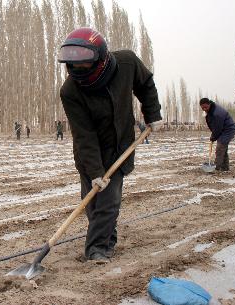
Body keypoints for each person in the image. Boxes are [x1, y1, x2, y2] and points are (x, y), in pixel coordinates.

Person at [58, 27, 162, 263]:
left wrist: (152, 113)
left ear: (100, 60)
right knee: (93, 202)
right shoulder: (70, 91)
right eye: (73, 66)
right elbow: (84, 135)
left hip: (119, 146)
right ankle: (107, 238)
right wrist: (95, 172)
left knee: (109, 201)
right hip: (89, 152)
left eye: (84, 65)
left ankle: (97, 249)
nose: (78, 70)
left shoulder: (127, 63)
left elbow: (145, 84)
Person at [199, 98, 235, 171]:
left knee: (220, 148)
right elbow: (214, 126)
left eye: (206, 107)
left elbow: (217, 128)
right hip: (223, 130)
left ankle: (216, 168)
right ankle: (225, 167)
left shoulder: (217, 113)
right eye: (202, 108)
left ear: (209, 104)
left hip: (228, 130)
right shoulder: (211, 110)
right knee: (223, 149)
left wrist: (213, 137)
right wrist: (214, 136)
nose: (204, 109)